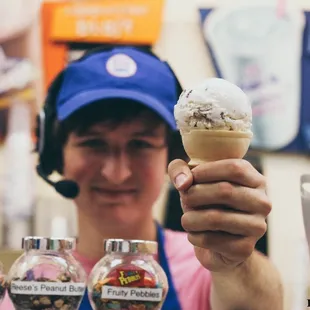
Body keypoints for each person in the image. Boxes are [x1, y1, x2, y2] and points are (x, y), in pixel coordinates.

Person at [1, 46, 283, 309]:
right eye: (93, 143)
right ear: (54, 154)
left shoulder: (206, 264)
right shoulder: (28, 285)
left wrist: (234, 263)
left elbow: (261, 300)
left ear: (172, 153)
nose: (117, 173)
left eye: (141, 144)